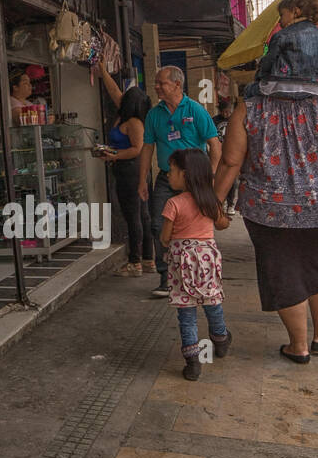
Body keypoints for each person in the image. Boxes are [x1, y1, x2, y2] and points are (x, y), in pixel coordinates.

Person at [216, 0, 318, 363]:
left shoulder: (250, 107)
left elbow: (230, 162)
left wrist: (212, 204)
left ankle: (300, 345)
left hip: (270, 210)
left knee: (285, 271)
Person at [138, 66, 221, 297]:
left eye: (161, 83)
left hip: (195, 180)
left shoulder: (195, 110)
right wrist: (142, 180)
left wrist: (210, 176)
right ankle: (166, 277)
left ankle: (197, 273)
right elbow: (147, 148)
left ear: (177, 84)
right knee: (158, 225)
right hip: (166, 178)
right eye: (155, 82)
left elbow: (215, 145)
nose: (156, 87)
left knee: (197, 227)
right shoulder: (155, 114)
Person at [160, 148, 231, 380]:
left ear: (185, 174)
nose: (168, 175)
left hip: (182, 262)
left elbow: (164, 238)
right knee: (213, 302)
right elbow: (222, 225)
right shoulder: (209, 201)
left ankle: (193, 363)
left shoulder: (173, 204)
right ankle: (220, 340)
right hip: (207, 260)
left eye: (171, 171)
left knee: (187, 313)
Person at [96, 62, 154, 276]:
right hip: (128, 169)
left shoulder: (134, 123)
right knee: (142, 215)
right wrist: (102, 70)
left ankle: (135, 262)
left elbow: (137, 149)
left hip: (131, 170)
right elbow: (114, 91)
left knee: (135, 216)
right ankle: (148, 260)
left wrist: (115, 156)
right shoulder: (128, 115)